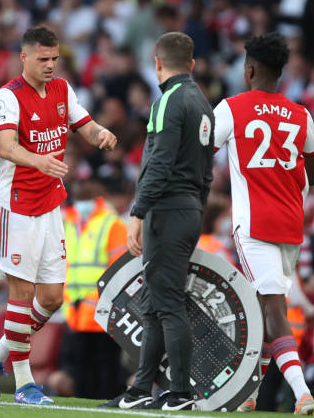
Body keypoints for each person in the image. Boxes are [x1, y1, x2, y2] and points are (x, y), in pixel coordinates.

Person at [0, 26, 117, 405]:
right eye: (43, 59)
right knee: (21, 295)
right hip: (16, 205)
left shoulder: (62, 90)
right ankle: (24, 386)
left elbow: (85, 126)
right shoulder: (8, 96)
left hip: (51, 205)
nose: (51, 65)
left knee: (52, 298)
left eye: (54, 58)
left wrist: (101, 133)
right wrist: (39, 161)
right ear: (24, 57)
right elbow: (6, 147)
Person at [103, 31, 214, 411]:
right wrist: (195, 208)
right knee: (154, 304)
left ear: (157, 63)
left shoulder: (168, 101)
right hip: (187, 209)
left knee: (167, 304)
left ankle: (180, 393)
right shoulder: (203, 104)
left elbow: (159, 164)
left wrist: (137, 212)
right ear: (192, 64)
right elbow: (207, 173)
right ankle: (140, 389)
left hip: (166, 212)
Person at [212, 32, 314, 415]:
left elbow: (201, 153)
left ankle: (302, 394)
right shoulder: (301, 114)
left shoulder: (231, 108)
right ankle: (251, 394)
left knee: (273, 308)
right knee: (263, 306)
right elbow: (313, 172)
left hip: (254, 225)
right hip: (291, 224)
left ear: (250, 70)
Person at [58, 179, 128, 399]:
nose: (81, 204)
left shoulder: (111, 223)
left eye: (85, 199)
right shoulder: (70, 223)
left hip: (103, 309)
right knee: (81, 367)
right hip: (76, 309)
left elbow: (119, 268)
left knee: (105, 366)